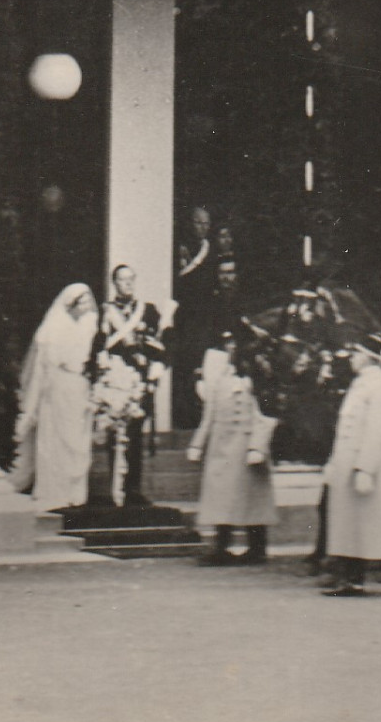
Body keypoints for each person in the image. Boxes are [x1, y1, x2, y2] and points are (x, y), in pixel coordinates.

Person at [320, 337, 381, 596]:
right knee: (354, 525)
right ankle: (353, 579)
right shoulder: (361, 385)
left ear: (369, 357)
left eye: (356, 354)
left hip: (369, 465)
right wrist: (334, 463)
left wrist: (365, 469)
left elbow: (378, 431)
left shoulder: (380, 387)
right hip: (348, 464)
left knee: (375, 522)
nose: (351, 358)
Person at [188, 334, 278, 566]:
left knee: (253, 500)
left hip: (248, 448)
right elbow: (209, 415)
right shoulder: (219, 381)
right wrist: (197, 444)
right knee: (221, 497)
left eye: (235, 345)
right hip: (222, 448)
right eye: (227, 346)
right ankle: (221, 546)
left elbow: (265, 417)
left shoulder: (258, 379)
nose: (231, 350)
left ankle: (257, 548)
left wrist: (258, 446)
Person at [13, 284, 98, 511]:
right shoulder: (55, 326)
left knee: (77, 437)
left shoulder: (89, 325)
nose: (89, 307)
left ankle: (75, 493)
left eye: (89, 301)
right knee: (57, 438)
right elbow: (48, 362)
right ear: (71, 304)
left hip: (79, 386)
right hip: (59, 386)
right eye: (83, 302)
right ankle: (55, 490)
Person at [93, 264, 167, 508]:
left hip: (139, 383)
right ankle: (116, 489)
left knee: (135, 436)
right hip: (115, 383)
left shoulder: (147, 312)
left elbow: (161, 344)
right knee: (115, 435)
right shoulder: (107, 312)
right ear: (114, 283)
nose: (127, 284)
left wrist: (157, 370)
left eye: (130, 280)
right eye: (122, 280)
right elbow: (100, 345)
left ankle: (133, 490)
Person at [173, 205, 216, 427]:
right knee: (185, 365)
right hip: (186, 317)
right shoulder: (183, 249)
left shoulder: (211, 249)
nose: (202, 228)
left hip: (204, 317)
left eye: (206, 223)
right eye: (198, 222)